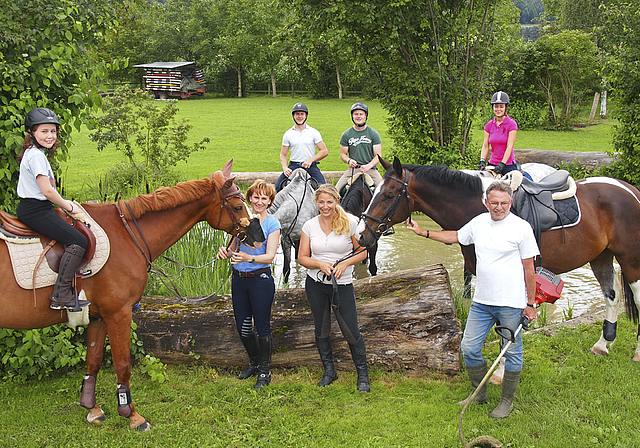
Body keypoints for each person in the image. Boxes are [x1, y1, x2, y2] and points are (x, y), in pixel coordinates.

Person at [405, 182, 539, 418]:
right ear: (486, 202)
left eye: (504, 203)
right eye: (494, 202)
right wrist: (422, 232)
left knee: (512, 353)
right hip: (481, 302)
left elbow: (529, 269)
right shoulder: (479, 222)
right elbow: (455, 236)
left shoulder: (521, 228)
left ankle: (507, 401)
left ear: (510, 203)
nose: (499, 207)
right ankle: (480, 393)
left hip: (511, 302)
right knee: (469, 348)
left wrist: (530, 304)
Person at [298, 184, 370, 392]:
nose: (325, 206)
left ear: (337, 201)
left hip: (343, 285)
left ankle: (362, 374)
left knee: (351, 330)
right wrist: (319, 264)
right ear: (317, 202)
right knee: (322, 329)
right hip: (316, 284)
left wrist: (346, 263)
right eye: (321, 202)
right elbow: (303, 257)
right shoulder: (309, 225)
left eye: (329, 201)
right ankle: (329, 371)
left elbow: (362, 252)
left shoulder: (350, 222)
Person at [17, 107, 89, 311]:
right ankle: (62, 295)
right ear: (32, 133)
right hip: (36, 210)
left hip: (37, 207)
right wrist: (69, 206)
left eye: (53, 131)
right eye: (44, 131)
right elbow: (47, 191)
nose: (50, 136)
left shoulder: (35, 153)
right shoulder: (37, 157)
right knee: (78, 240)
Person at [217, 180, 281, 391]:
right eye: (256, 197)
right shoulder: (240, 221)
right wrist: (224, 252)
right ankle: (254, 362)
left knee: (262, 326)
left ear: (270, 201)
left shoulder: (272, 224)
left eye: (264, 198)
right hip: (239, 279)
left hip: (260, 280)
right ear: (250, 198)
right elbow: (231, 247)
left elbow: (269, 256)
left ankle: (265, 370)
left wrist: (249, 258)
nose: (259, 201)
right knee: (243, 328)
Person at [275, 103, 328, 191]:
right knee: (276, 188)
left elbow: (324, 151)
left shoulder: (313, 132)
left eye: (302, 114)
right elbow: (283, 155)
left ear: (306, 115)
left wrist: (310, 160)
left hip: (310, 167)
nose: (300, 116)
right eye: (297, 114)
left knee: (324, 189)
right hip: (293, 166)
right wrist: (285, 168)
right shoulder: (288, 134)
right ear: (293, 116)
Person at [335, 102, 383, 195]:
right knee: (335, 192)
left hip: (371, 170)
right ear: (352, 116)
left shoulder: (373, 133)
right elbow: (343, 154)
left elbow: (378, 155)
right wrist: (349, 161)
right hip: (354, 170)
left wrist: (368, 166)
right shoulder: (346, 134)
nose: (358, 116)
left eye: (361, 114)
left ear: (365, 115)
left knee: (384, 192)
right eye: (356, 114)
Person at [479, 91, 519, 177]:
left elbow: (509, 146)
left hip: (507, 165)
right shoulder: (489, 125)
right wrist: (482, 160)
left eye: (501, 106)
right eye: (496, 106)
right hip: (492, 164)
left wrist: (502, 163)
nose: (498, 109)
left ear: (505, 107)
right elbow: (486, 145)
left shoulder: (512, 124)